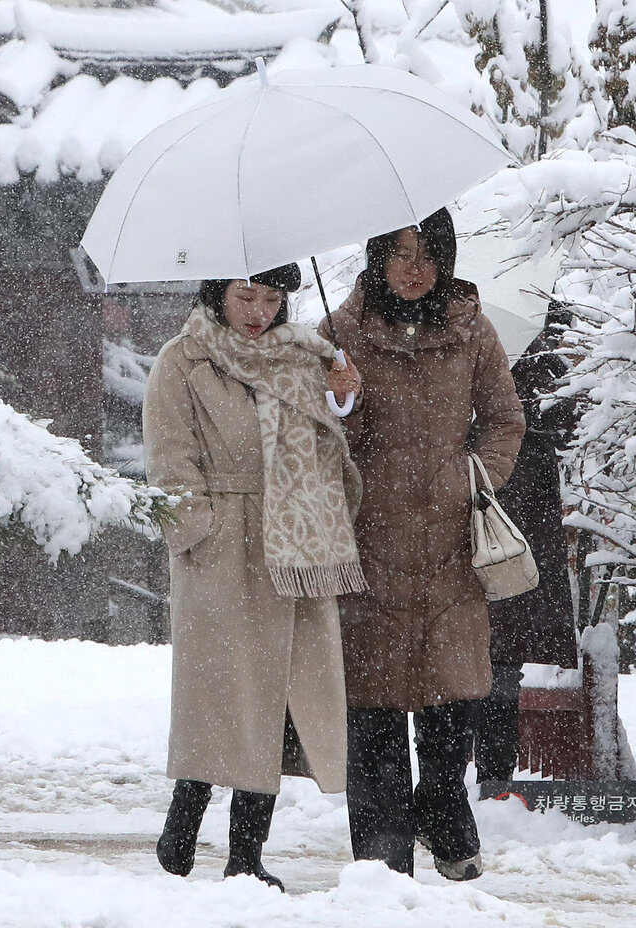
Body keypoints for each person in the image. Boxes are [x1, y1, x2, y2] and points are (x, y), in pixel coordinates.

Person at [143, 266, 366, 888]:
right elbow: (168, 458)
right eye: (245, 296)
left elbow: (327, 447)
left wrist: (339, 397)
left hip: (296, 548)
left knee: (277, 702)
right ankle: (183, 822)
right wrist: (201, 530)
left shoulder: (302, 357)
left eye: (271, 299)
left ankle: (247, 856)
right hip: (223, 551)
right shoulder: (183, 359)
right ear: (217, 294)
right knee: (222, 695)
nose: (258, 312)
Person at [333, 209, 525, 881]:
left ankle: (441, 808)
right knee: (375, 712)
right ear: (376, 256)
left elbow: (504, 418)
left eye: (428, 253)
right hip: (369, 541)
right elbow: (317, 437)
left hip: (450, 544)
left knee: (454, 704)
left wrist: (474, 475)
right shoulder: (340, 332)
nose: (414, 268)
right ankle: (382, 858)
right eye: (400, 252)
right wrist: (340, 405)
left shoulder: (471, 326)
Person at [475, 309, 582, 792]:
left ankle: (488, 781)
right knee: (488, 662)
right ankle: (485, 783)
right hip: (494, 513)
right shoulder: (469, 339)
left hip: (512, 518)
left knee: (496, 661)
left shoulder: (539, 346)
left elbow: (566, 426)